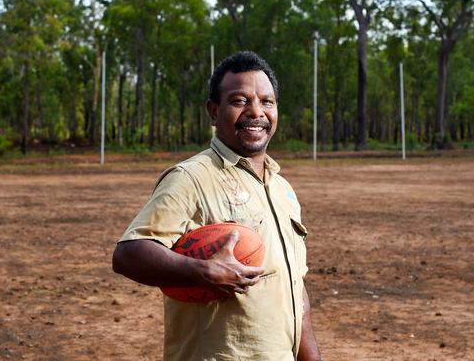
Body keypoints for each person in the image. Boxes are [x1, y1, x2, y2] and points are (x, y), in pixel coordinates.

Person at [112, 51, 321, 361]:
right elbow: (128, 254)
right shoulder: (191, 177)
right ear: (213, 112)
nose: (256, 112)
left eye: (267, 101)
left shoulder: (282, 189)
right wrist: (203, 270)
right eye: (239, 101)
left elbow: (294, 291)